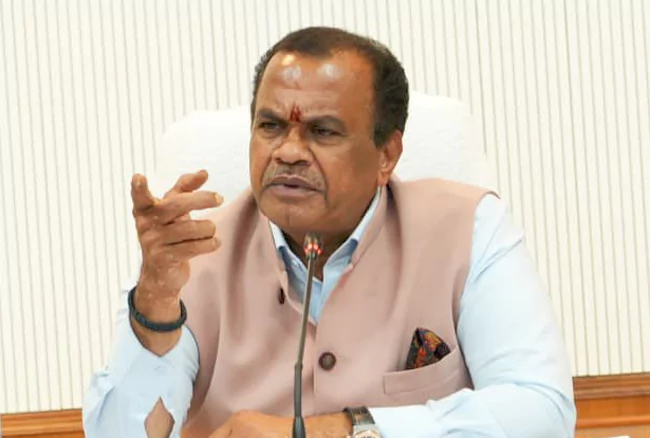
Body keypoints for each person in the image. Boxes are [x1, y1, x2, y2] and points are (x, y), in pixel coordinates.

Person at [83, 26, 576, 437]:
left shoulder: (466, 228)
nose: (288, 151)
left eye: (322, 131)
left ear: (387, 154)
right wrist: (154, 303)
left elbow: (541, 410)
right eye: (270, 126)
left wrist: (339, 431)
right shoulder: (194, 251)